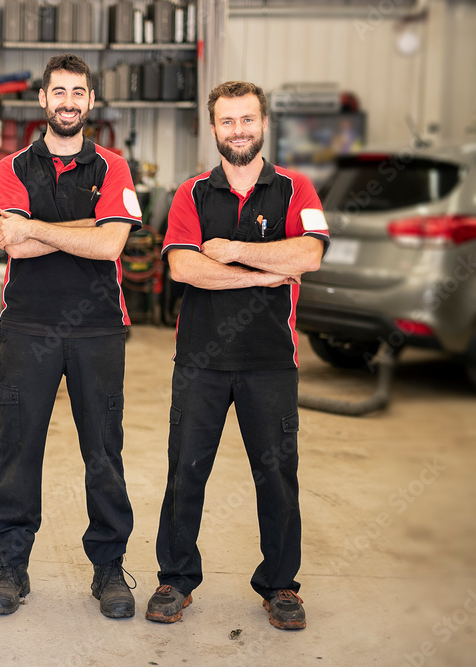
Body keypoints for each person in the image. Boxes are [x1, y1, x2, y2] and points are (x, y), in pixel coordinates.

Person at [146, 80, 329, 630]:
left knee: (277, 474)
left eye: (247, 119)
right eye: (227, 121)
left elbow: (311, 254)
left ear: (264, 123)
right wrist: (272, 271)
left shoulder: (297, 190)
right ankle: (175, 579)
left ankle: (281, 585)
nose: (238, 130)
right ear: (214, 128)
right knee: (186, 472)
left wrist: (233, 251)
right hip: (199, 360)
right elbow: (183, 268)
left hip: (271, 359)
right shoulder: (192, 193)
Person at [0, 54, 141, 618]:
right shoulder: (13, 167)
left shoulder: (114, 167)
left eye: (79, 92)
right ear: (43, 100)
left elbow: (111, 245)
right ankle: (11, 565)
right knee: (19, 448)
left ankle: (108, 568)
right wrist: (84, 228)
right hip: (28, 324)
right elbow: (13, 243)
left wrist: (39, 227)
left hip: (98, 327)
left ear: (91, 101)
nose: (69, 101)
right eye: (59, 92)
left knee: (103, 449)